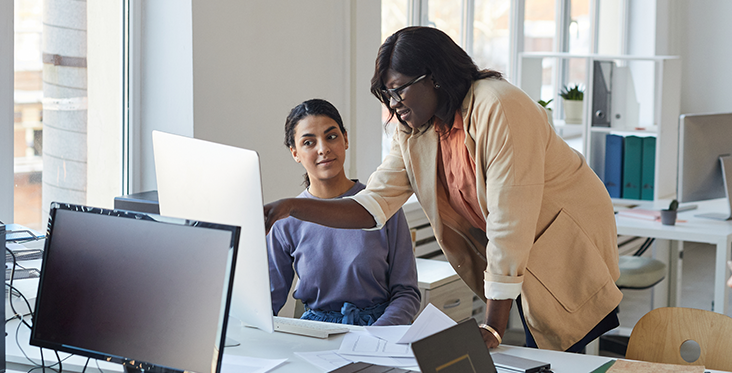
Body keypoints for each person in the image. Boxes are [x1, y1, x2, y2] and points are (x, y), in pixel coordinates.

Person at [265, 27, 622, 351]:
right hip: (517, 255)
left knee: (560, 351)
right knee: (532, 349)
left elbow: (509, 223)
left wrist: (494, 328)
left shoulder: (498, 106)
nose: (393, 103)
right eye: (387, 94)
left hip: (563, 242)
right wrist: (291, 209)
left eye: (399, 89)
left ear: (434, 78)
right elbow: (372, 206)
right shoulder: (416, 128)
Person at [267, 99, 421, 326]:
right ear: (295, 153)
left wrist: (376, 335)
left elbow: (407, 294)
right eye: (309, 142)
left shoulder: (381, 206)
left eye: (331, 137)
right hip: (317, 337)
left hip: (380, 331)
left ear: (345, 139)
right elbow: (267, 304)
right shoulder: (285, 220)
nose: (323, 149)